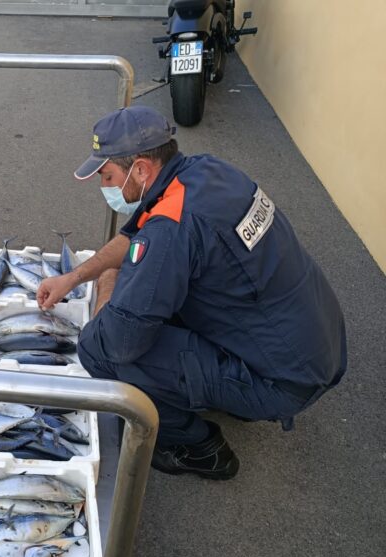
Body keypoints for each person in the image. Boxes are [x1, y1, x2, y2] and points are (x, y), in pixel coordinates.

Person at [38, 106, 347, 480]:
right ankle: (215, 387)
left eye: (107, 176)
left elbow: (117, 343)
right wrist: (75, 276)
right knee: (143, 294)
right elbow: (136, 234)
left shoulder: (172, 229)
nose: (105, 187)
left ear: (140, 169)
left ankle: (200, 448)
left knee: (97, 350)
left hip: (282, 381)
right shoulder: (202, 172)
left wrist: (107, 292)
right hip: (318, 344)